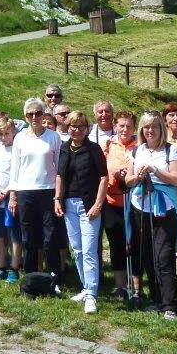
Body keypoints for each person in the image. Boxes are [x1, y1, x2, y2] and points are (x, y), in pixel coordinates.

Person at [126, 111, 177, 316]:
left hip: (164, 210)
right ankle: (157, 300)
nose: (150, 131)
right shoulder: (136, 151)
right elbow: (128, 181)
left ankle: (171, 305)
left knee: (164, 256)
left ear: (161, 129)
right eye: (146, 127)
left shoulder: (172, 151)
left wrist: (155, 171)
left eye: (155, 127)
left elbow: (176, 179)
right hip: (141, 208)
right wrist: (138, 176)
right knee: (147, 255)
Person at [55, 111, 108, 314]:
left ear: (87, 129)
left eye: (80, 127)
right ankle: (86, 288)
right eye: (73, 126)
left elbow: (104, 177)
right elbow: (60, 175)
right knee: (77, 249)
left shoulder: (93, 149)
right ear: (68, 128)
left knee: (89, 250)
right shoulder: (65, 148)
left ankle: (92, 295)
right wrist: (57, 199)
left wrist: (98, 204)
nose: (76, 130)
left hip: (89, 206)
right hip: (69, 205)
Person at [8, 98, 62, 284]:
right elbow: (15, 167)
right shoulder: (20, 137)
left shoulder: (53, 137)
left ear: (43, 114)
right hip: (25, 192)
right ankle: (30, 276)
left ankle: (54, 276)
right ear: (25, 116)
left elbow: (58, 168)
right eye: (30, 114)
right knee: (28, 236)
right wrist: (13, 196)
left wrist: (57, 196)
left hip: (47, 191)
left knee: (50, 236)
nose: (34, 117)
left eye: (38, 113)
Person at [103, 110, 139, 301]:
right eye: (121, 125)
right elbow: (102, 172)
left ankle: (135, 288)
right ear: (115, 126)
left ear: (134, 128)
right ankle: (120, 287)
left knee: (133, 244)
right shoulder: (108, 145)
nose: (125, 129)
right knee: (116, 244)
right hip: (112, 201)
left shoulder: (139, 146)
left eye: (129, 126)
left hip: (133, 203)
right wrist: (115, 177)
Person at [0, 117, 22, 282]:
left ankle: (14, 269)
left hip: (12, 196)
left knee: (14, 233)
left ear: (13, 132)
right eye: (0, 133)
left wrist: (7, 191)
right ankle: (1, 267)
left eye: (6, 133)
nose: (3, 137)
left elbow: (19, 174)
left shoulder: (17, 149)